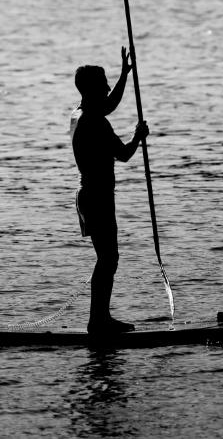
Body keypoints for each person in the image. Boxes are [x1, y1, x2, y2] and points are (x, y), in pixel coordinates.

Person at [70, 46, 149, 334]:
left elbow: (108, 104)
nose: (107, 87)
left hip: (87, 195)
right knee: (108, 259)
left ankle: (99, 319)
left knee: (107, 258)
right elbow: (125, 154)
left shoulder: (79, 114)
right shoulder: (97, 123)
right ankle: (98, 321)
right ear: (91, 89)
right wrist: (138, 137)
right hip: (98, 197)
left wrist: (124, 76)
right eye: (103, 84)